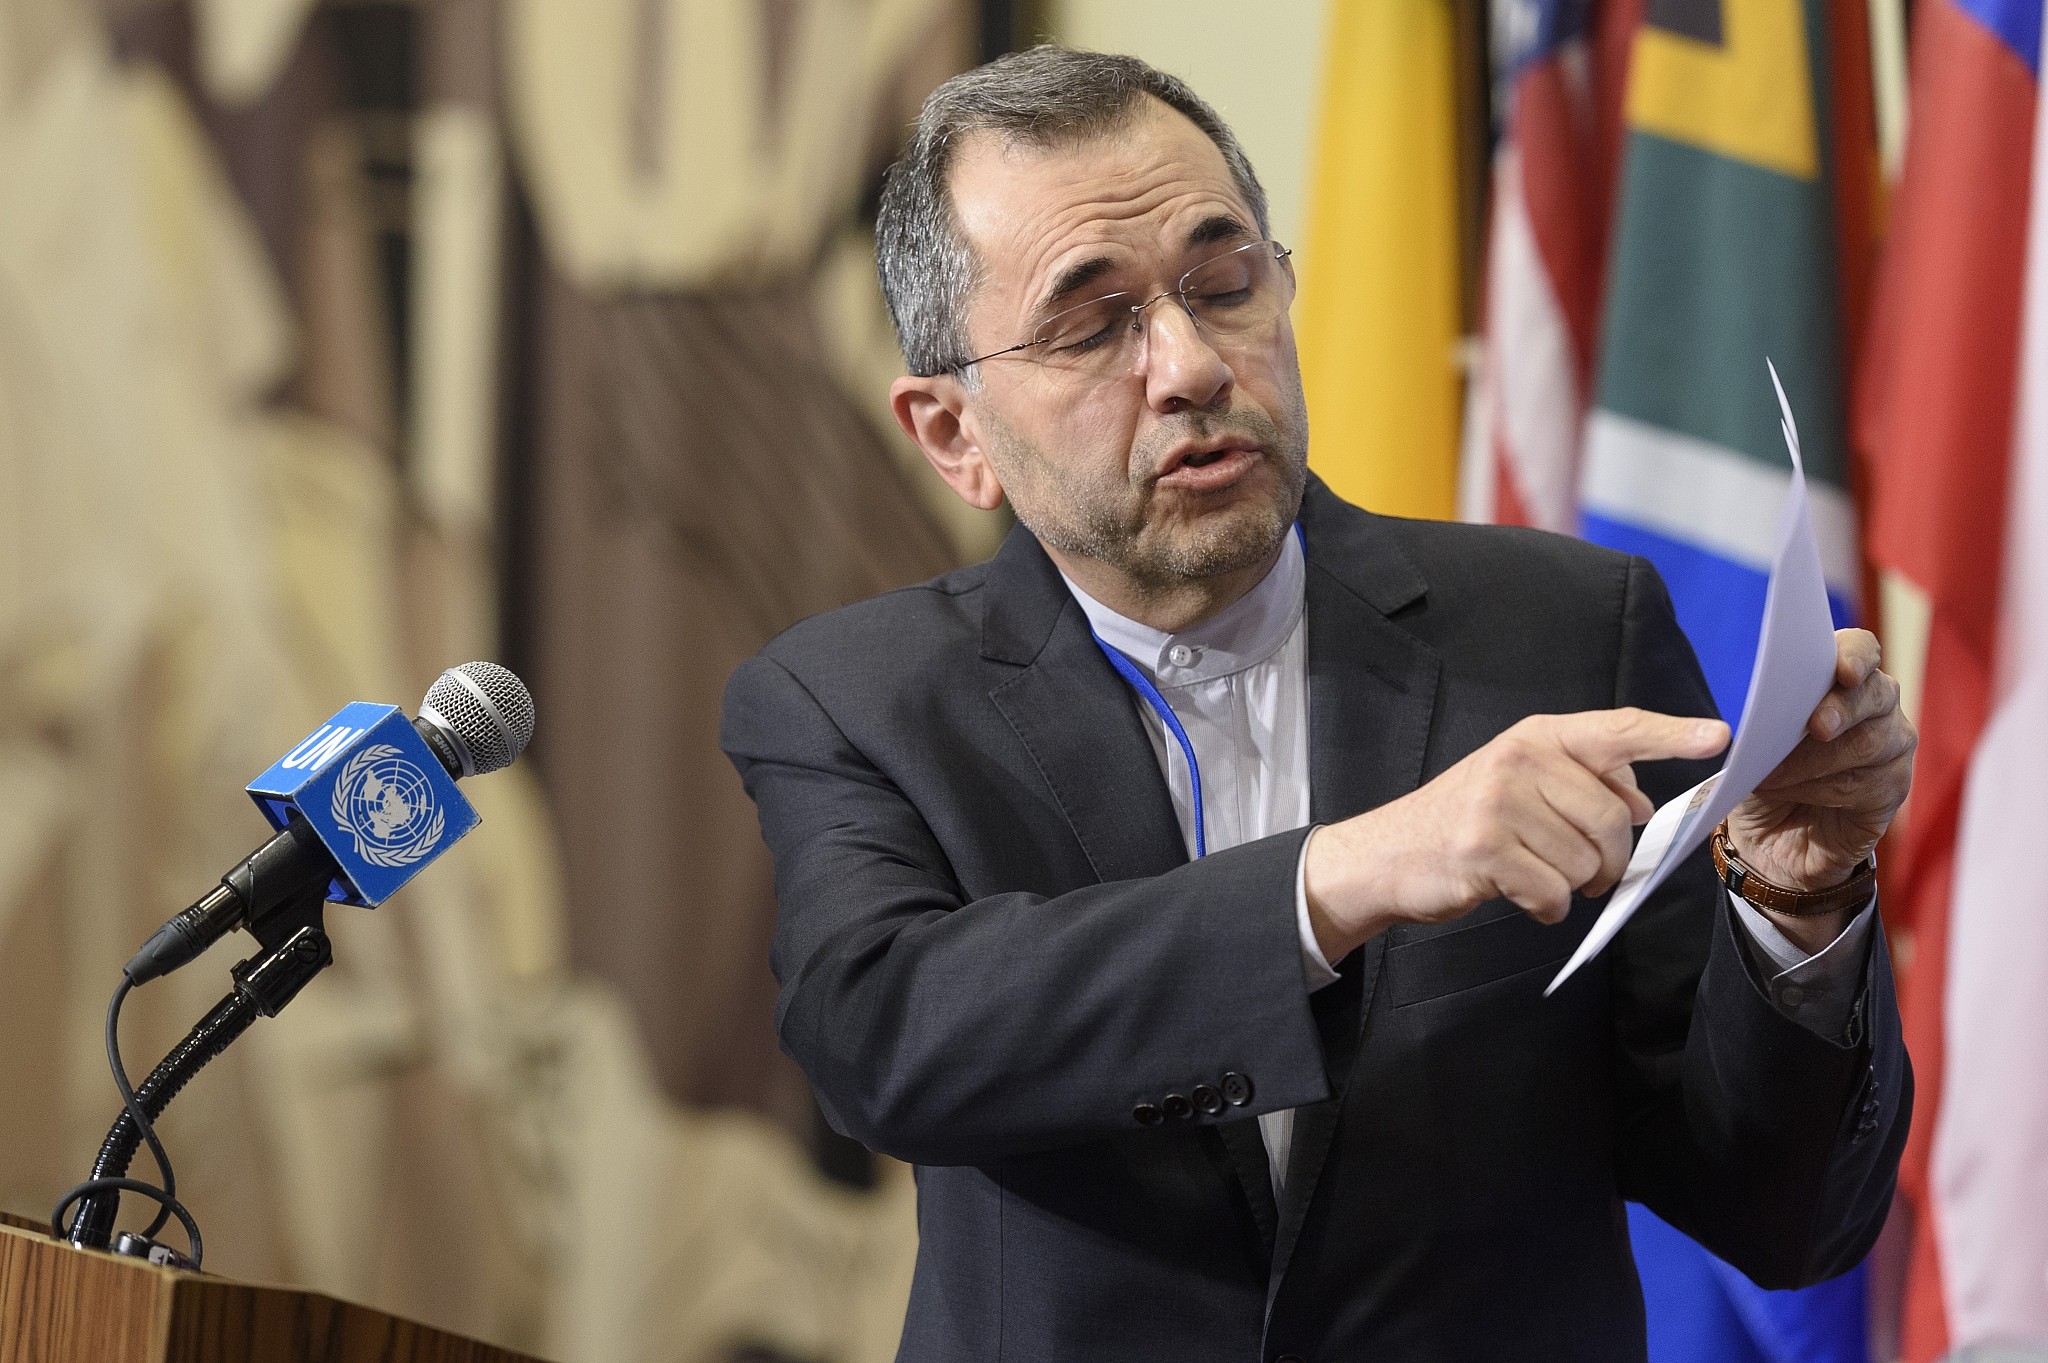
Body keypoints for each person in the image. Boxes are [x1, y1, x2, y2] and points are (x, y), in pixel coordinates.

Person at [721, 47, 1914, 1362]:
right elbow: (886, 1036)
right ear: (955, 435)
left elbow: (1784, 1217)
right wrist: (1341, 877)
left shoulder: (1570, 630)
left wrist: (1795, 901)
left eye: (1224, 283)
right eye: (1093, 323)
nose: (1189, 365)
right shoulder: (856, 698)